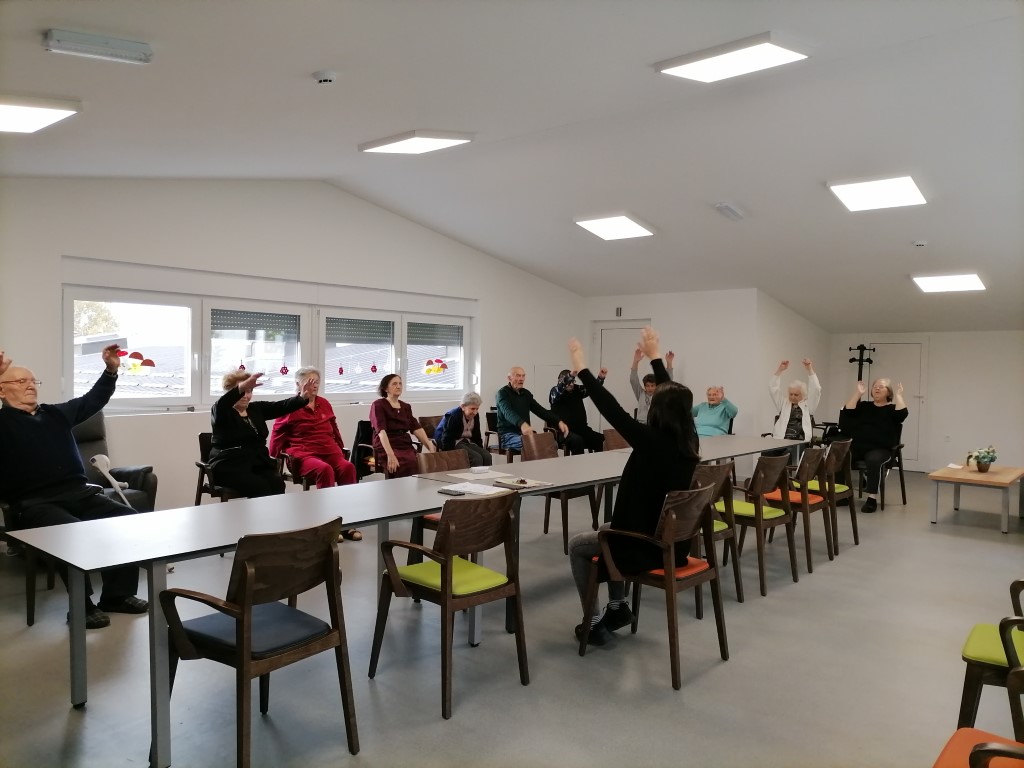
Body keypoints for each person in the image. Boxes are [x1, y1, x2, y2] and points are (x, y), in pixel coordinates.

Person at [566, 328, 700, 646]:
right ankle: (617, 607)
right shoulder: (689, 439)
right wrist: (655, 357)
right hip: (672, 543)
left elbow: (610, 408)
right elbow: (674, 398)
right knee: (606, 528)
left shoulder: (651, 441)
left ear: (658, 410)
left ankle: (593, 622)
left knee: (577, 546)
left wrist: (582, 368)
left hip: (644, 545)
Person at [0, 345, 148, 630]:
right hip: (34, 503)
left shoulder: (55, 414)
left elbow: (93, 399)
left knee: (128, 520)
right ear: (2, 391)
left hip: (79, 493)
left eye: (33, 380)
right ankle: (81, 606)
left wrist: (111, 370)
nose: (30, 385)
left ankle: (117, 596)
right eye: (20, 381)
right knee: (73, 533)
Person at [268, 366, 362, 541]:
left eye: (317, 381)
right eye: (309, 382)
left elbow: (334, 429)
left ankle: (348, 524)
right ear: (298, 384)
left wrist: (340, 449)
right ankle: (327, 526)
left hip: (330, 451)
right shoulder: (289, 406)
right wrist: (273, 462)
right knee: (324, 470)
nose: (314, 385)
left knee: (348, 467)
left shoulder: (324, 403)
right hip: (304, 455)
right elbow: (277, 434)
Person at [210, 369, 313, 498]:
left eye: (249, 391)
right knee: (260, 487)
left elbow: (280, 406)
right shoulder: (221, 411)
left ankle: (274, 512)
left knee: (277, 483)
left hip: (256, 464)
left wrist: (302, 397)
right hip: (229, 467)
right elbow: (223, 403)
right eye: (242, 391)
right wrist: (242, 387)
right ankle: (258, 512)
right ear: (231, 393)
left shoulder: (255, 409)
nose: (245, 396)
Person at [839, 378, 908, 513]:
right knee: (840, 454)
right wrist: (858, 393)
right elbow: (848, 411)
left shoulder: (892, 409)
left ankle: (871, 499)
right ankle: (841, 495)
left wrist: (899, 396)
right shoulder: (865, 406)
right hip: (859, 446)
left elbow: (902, 415)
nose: (877, 388)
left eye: (881, 386)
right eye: (875, 386)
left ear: (888, 392)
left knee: (873, 460)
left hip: (881, 449)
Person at [370, 373, 435, 478]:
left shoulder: (406, 406)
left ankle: (414, 488)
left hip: (404, 444)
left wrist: (429, 445)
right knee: (399, 463)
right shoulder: (378, 405)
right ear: (385, 388)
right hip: (386, 444)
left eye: (400, 383)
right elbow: (381, 431)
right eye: (394, 384)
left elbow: (416, 427)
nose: (398, 386)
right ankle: (396, 488)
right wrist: (390, 454)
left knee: (419, 462)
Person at [494, 366, 568, 453]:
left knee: (552, 443)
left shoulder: (526, 394)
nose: (521, 379)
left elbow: (540, 411)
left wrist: (558, 421)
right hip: (507, 436)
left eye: (523, 376)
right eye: (518, 375)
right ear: (509, 378)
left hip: (525, 435)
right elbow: (508, 412)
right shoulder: (502, 393)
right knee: (532, 443)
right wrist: (522, 424)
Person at [768, 358, 821, 462]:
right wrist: (780, 370)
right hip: (781, 441)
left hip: (800, 443)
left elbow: (816, 389)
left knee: (789, 454)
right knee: (766, 452)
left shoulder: (808, 406)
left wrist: (809, 369)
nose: (792, 397)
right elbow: (772, 388)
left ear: (803, 395)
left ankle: (789, 473)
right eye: (791, 394)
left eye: (796, 395)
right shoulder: (784, 403)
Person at [549, 368, 606, 455]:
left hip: (582, 429)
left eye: (573, 381)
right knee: (578, 440)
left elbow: (591, 388)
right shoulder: (555, 392)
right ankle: (578, 463)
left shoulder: (577, 389)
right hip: (563, 432)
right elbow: (560, 388)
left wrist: (600, 378)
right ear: (559, 381)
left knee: (602, 440)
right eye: (569, 381)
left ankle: (597, 462)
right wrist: (570, 377)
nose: (571, 384)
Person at [434, 392, 492, 467]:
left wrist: (480, 449)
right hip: (453, 442)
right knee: (476, 458)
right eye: (472, 409)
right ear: (463, 406)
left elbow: (477, 435)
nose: (475, 412)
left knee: (487, 455)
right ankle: (473, 474)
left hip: (466, 441)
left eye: (477, 409)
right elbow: (447, 437)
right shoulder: (453, 415)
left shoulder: (475, 416)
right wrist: (449, 455)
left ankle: (486, 474)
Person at [629, 346, 675, 424]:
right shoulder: (641, 394)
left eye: (652, 385)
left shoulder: (660, 395)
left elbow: (668, 382)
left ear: (656, 386)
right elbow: (633, 380)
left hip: (656, 425)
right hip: (641, 424)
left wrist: (669, 363)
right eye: (647, 386)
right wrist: (635, 361)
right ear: (645, 387)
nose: (650, 388)